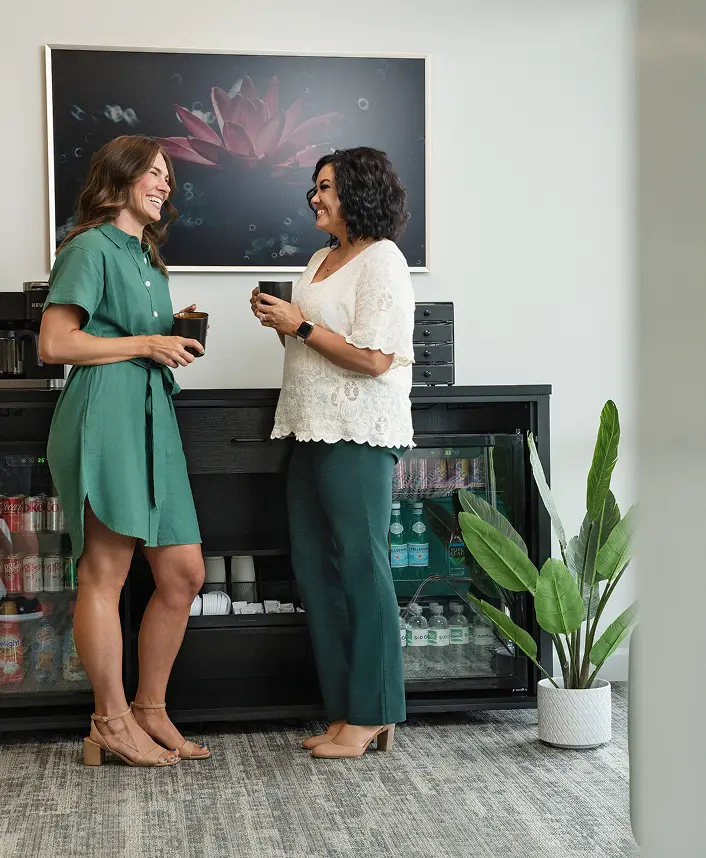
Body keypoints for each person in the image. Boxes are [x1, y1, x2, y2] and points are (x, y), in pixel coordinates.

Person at [40, 135, 210, 767]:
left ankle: (149, 709)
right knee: (104, 574)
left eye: (168, 176)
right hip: (105, 414)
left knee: (183, 573)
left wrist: (168, 331)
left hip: (151, 416)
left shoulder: (147, 259)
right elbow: (55, 343)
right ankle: (109, 721)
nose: (165, 184)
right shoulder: (88, 247)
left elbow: (131, 333)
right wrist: (144, 343)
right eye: (153, 173)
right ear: (119, 177)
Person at [250, 146, 415, 758]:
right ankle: (346, 711)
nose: (314, 198)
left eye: (325, 187)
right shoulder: (320, 259)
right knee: (316, 568)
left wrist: (298, 325)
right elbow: (312, 343)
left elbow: (374, 359)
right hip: (310, 425)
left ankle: (375, 711)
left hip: (359, 431)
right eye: (314, 187)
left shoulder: (384, 260)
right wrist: (284, 322)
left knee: (363, 567)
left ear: (358, 192)